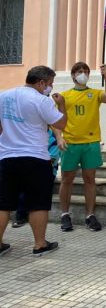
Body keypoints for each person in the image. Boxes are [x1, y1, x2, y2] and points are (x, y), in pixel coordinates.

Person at [0, 66, 67, 257]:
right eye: (50, 84)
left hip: (6, 157)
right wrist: (62, 106)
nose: (50, 88)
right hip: (35, 157)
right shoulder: (40, 100)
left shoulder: (4, 96)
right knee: (38, 203)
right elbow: (61, 124)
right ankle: (39, 244)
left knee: (3, 203)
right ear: (41, 82)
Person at [57, 62, 106, 233]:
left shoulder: (95, 93)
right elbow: (56, 121)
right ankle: (65, 214)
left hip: (91, 143)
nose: (83, 74)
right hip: (70, 143)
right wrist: (59, 137)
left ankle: (90, 215)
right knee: (67, 179)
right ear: (73, 75)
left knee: (90, 179)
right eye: (79, 71)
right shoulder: (64, 96)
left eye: (86, 71)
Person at [13, 128, 60, 228]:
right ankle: (20, 215)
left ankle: (30, 215)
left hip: (48, 170)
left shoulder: (53, 137)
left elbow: (52, 159)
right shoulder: (28, 134)